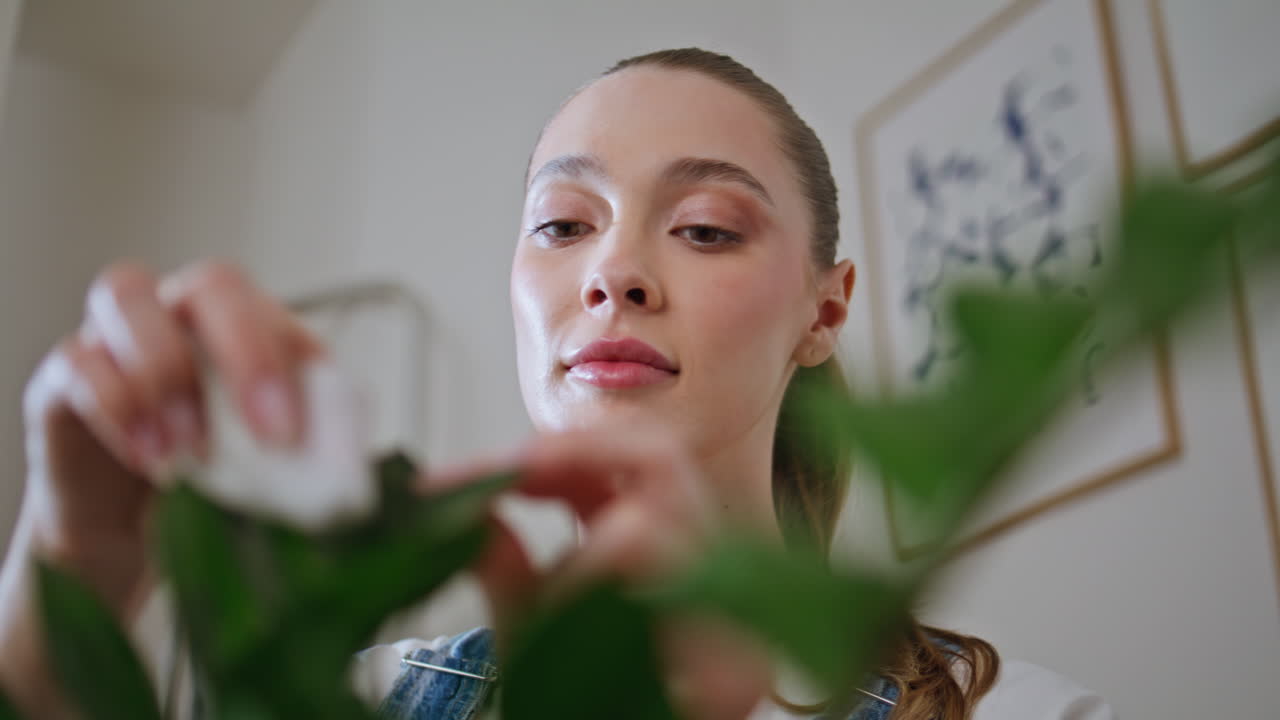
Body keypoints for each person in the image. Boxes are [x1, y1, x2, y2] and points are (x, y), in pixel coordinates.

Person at [0, 48, 1115, 720]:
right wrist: (76, 568)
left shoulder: (1021, 714)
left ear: (822, 313)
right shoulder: (365, 698)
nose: (613, 273)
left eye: (704, 227)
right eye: (562, 224)